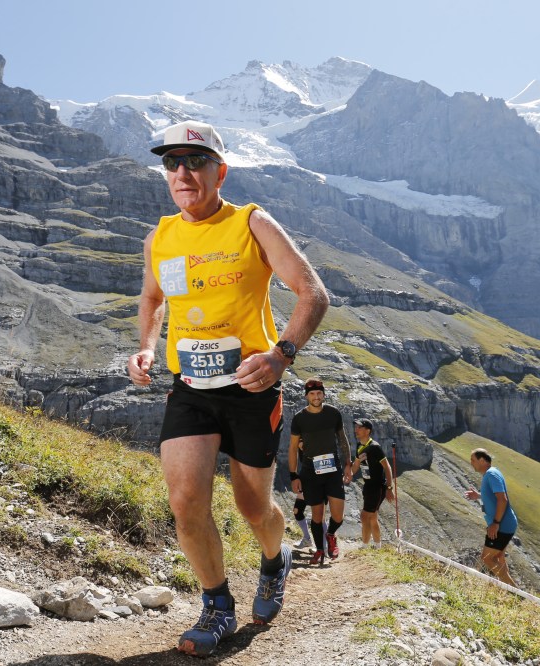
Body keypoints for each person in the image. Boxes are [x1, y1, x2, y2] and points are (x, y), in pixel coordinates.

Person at [127, 120, 329, 657]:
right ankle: (217, 605)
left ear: (220, 169)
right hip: (190, 387)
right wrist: (148, 346)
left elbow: (312, 292)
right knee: (186, 498)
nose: (182, 173)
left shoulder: (251, 223)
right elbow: (151, 300)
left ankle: (275, 557)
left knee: (252, 507)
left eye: (194, 161)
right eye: (171, 163)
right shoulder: (161, 236)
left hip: (251, 389)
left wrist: (281, 355)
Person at [288, 378, 353, 565]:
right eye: (312, 394)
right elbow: (292, 448)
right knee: (317, 515)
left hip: (333, 470)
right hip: (310, 472)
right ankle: (319, 550)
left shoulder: (333, 413)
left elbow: (342, 439)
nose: (316, 397)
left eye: (319, 393)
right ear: (307, 396)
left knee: (338, 515)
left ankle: (331, 534)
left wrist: (348, 463)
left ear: (323, 394)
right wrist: (294, 475)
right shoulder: (299, 419)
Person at [463, 448, 519, 586]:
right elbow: (494, 498)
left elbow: (502, 499)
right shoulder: (492, 473)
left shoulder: (491, 474)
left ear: (482, 460)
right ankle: (509, 590)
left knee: (487, 558)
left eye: (473, 460)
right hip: (506, 523)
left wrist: (495, 523)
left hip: (501, 525)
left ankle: (516, 593)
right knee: (499, 558)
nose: (471, 463)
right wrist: (479, 496)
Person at [350, 418, 395, 548]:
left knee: (365, 515)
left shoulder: (374, 447)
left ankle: (364, 546)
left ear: (367, 430)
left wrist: (389, 488)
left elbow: (387, 467)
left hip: (377, 487)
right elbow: (357, 464)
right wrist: (348, 475)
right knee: (372, 517)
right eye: (356, 427)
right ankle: (377, 546)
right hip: (368, 485)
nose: (356, 430)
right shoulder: (359, 445)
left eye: (359, 427)